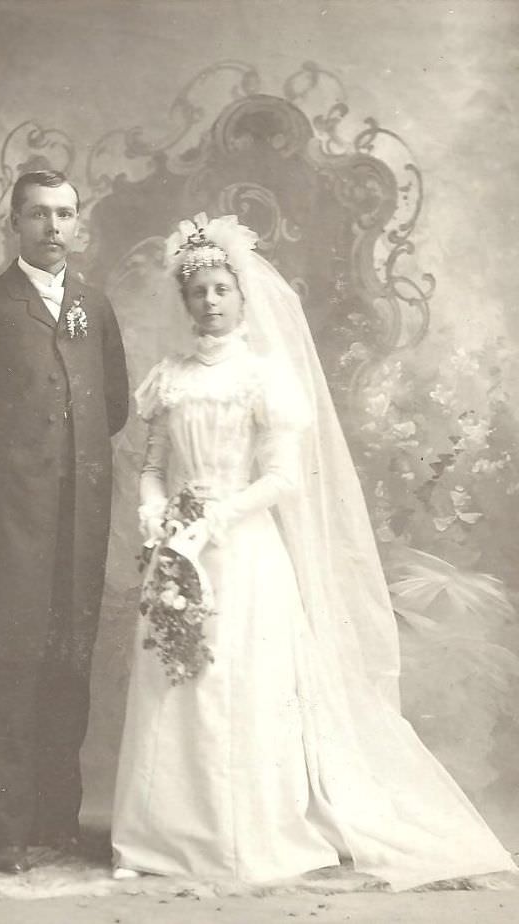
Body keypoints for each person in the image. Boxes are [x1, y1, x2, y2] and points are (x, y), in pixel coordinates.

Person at [111, 213, 516, 890]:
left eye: (220, 289)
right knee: (174, 683)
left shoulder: (265, 375)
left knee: (239, 685)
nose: (209, 302)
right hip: (178, 550)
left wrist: (215, 519)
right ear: (184, 303)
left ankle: (245, 839)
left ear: (242, 296)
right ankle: (158, 839)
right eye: (197, 292)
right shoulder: (171, 377)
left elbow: (282, 479)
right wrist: (157, 513)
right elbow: (153, 464)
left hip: (241, 549)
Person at [0, 170, 129, 874]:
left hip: (78, 532)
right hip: (8, 536)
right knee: (12, 678)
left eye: (65, 215)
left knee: (67, 678)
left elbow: (114, 407)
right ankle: (7, 834)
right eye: (39, 215)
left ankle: (56, 822)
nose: (54, 228)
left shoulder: (93, 306)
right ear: (14, 223)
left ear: (77, 225)